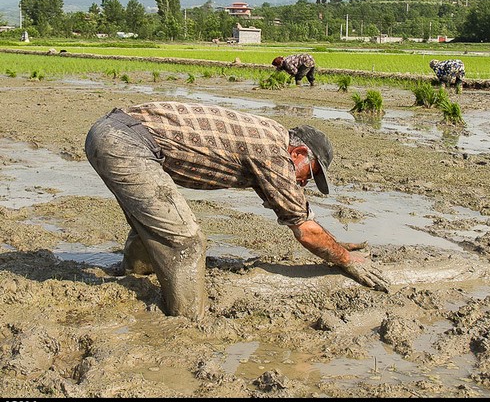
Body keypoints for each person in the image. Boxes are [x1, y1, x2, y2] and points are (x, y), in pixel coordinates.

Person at [84, 102, 388, 321]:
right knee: (186, 242)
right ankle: (186, 324)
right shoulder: (273, 152)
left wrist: (333, 244)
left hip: (113, 132)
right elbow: (305, 231)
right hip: (125, 142)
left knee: (153, 227)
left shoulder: (265, 138)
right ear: (298, 153)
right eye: (310, 172)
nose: (305, 181)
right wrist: (347, 261)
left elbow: (295, 215)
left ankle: (134, 277)